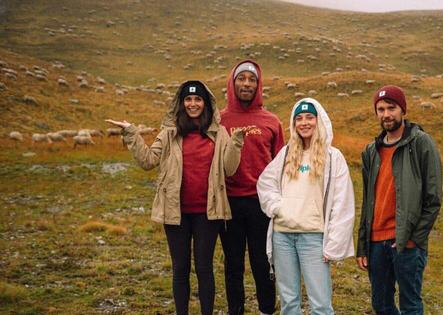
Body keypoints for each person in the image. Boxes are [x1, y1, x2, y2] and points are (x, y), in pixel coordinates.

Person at [106, 80, 244, 315]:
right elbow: (148, 161)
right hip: (175, 213)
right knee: (180, 269)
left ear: (206, 103)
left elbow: (230, 169)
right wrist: (131, 133)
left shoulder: (218, 133)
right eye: (188, 100)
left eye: (197, 99)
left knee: (204, 268)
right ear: (181, 104)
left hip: (207, 213)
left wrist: (237, 143)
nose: (193, 104)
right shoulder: (169, 134)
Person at [257, 98, 355, 315]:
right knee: (289, 301)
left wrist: (334, 242)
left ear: (318, 120)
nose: (304, 123)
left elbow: (342, 201)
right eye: (299, 118)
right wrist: (278, 208)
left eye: (309, 117)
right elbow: (265, 183)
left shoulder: (332, 157)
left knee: (320, 303)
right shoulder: (286, 153)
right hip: (282, 236)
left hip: (313, 238)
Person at [356, 85, 442, 315]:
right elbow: (368, 202)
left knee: (410, 306)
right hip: (376, 244)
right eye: (380, 109)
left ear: (403, 110)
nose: (386, 114)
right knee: (381, 305)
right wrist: (363, 245)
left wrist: (414, 238)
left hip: (406, 243)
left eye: (391, 108)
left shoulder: (421, 143)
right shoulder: (370, 151)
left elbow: (433, 199)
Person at [218, 60, 284, 315]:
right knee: (233, 263)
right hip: (229, 203)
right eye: (241, 79)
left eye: (251, 80)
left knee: (263, 261)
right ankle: (236, 310)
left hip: (261, 204)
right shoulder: (219, 120)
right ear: (232, 83)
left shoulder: (271, 121)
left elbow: (280, 163)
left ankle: (267, 309)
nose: (246, 84)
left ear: (258, 85)